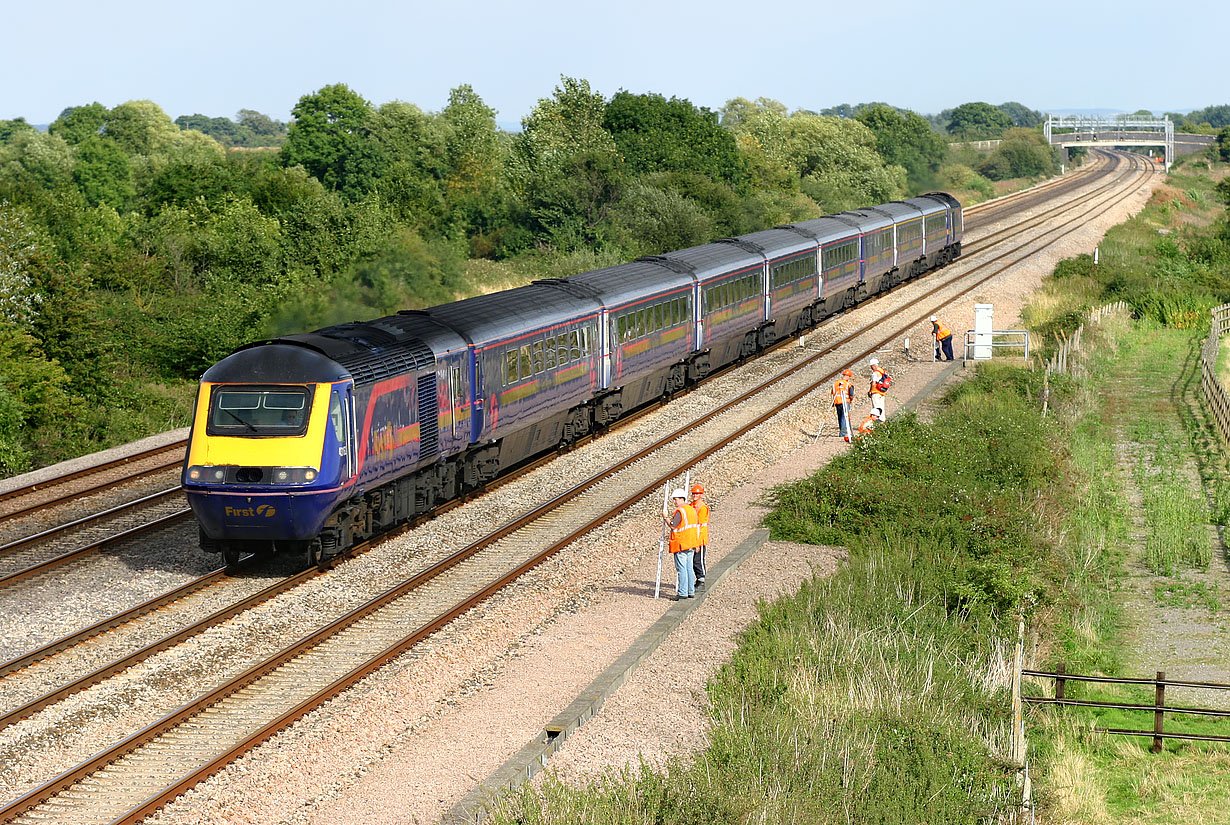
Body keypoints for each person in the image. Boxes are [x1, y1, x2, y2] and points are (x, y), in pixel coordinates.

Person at [665, 489, 698, 599]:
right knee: (689, 568)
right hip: (691, 542)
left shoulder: (680, 511)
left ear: (682, 499)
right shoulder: (691, 510)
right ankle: (690, 591)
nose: (674, 502)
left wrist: (665, 517)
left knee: (682, 569)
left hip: (681, 544)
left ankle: (683, 593)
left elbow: (673, 525)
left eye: (676, 499)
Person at [690, 484, 709, 588]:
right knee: (693, 560)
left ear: (701, 494)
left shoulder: (702, 507)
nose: (695, 495)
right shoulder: (692, 506)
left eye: (697, 493)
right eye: (693, 493)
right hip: (693, 537)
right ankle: (698, 579)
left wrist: (697, 542)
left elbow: (700, 526)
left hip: (700, 538)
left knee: (698, 560)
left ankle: (701, 578)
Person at [832, 368, 855, 443]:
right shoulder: (848, 384)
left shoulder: (836, 383)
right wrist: (851, 400)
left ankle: (841, 430)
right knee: (844, 417)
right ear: (848, 376)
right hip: (845, 402)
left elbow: (833, 392)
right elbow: (851, 395)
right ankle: (843, 433)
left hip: (837, 402)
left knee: (840, 416)